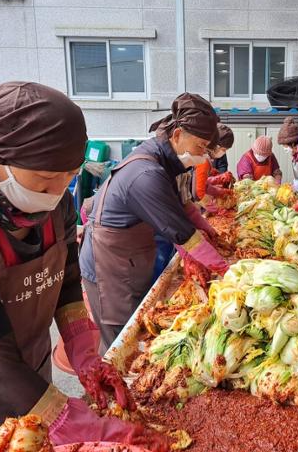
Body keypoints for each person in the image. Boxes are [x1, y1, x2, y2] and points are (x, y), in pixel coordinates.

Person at [0, 82, 154, 450]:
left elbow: (66, 282)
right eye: (45, 179)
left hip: (30, 377)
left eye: (70, 176)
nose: (59, 189)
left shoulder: (54, 204)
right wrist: (71, 419)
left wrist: (85, 354)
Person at [79, 93, 228, 351]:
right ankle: (107, 389)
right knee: (120, 338)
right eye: (201, 147)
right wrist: (227, 270)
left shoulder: (169, 161)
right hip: (109, 267)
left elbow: (185, 206)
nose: (203, 155)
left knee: (140, 326)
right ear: (178, 134)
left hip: (131, 257)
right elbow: (182, 234)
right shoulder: (147, 174)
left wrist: (211, 232)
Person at [193, 123, 235, 201]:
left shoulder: (206, 158)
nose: (224, 153)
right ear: (216, 146)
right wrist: (215, 209)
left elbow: (205, 185)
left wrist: (222, 192)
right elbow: (199, 194)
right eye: (224, 150)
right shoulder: (203, 161)